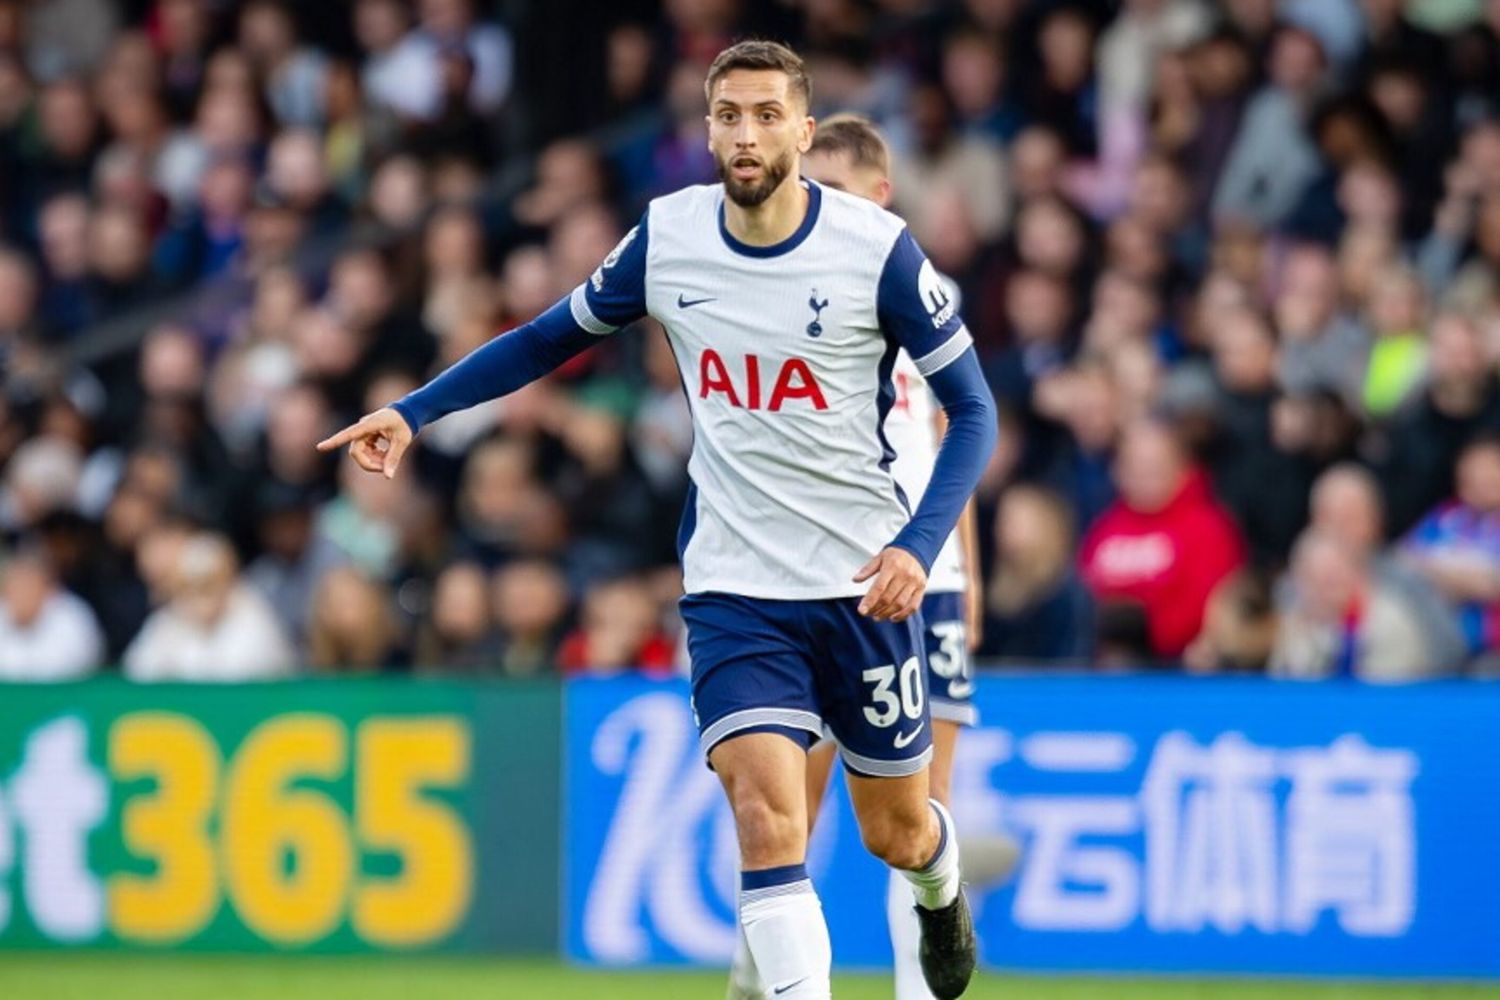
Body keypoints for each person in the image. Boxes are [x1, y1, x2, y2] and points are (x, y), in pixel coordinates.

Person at [319, 42, 996, 999]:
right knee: (768, 821)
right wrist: (413, 410)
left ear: (803, 131)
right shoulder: (668, 238)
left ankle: (940, 880)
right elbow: (546, 338)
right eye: (729, 115)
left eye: (767, 115)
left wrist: (917, 548)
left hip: (861, 586)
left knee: (898, 829)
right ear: (707, 129)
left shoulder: (875, 251)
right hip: (733, 587)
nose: (747, 134)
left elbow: (974, 411)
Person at [718, 112, 997, 1000]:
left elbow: (962, 424)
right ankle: (753, 976)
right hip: (818, 572)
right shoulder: (776, 280)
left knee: (916, 811)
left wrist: (965, 565)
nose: (815, 206)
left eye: (834, 190)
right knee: (781, 811)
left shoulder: (911, 279)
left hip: (924, 573)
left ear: (881, 196)